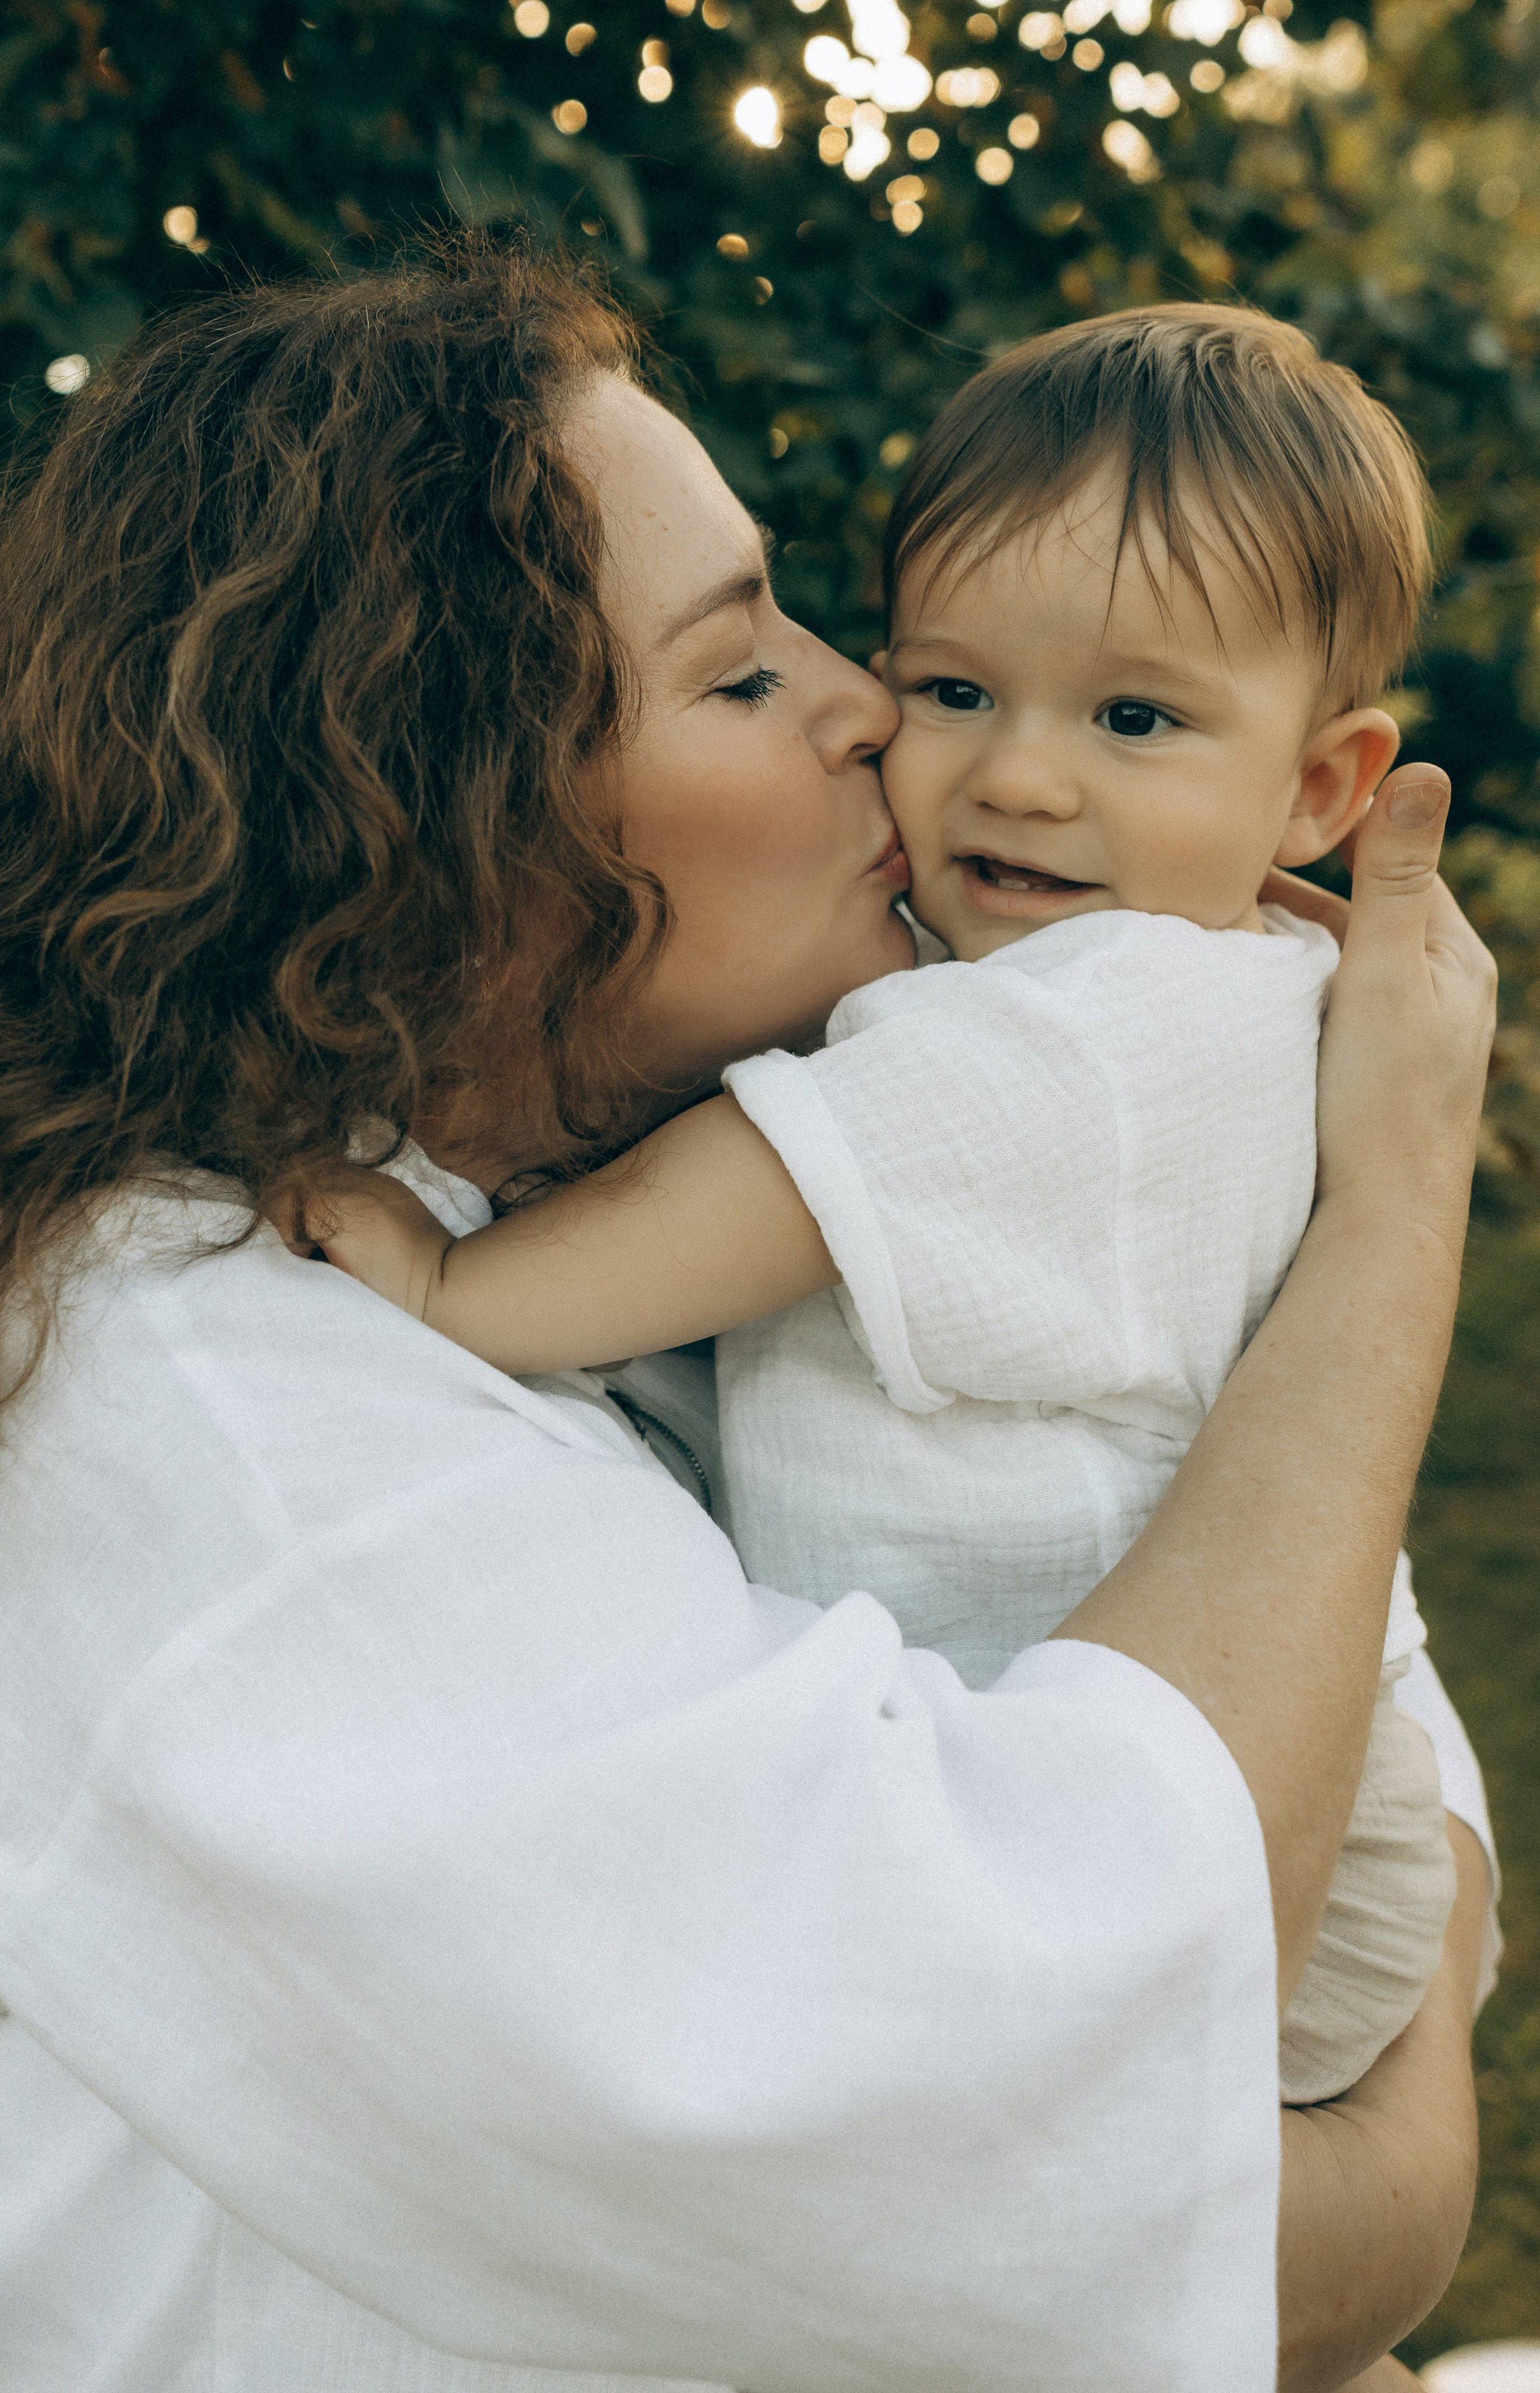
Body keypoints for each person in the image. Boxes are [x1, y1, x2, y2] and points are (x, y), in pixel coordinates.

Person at [0, 244, 1498, 2393]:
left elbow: (1306, 1652)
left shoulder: (510, 1224)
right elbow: (1045, 2181)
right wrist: (1396, 1212)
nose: (877, 700)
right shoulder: (203, 1410)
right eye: (742, 670)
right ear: (445, 825)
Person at [312, 306, 1458, 2111]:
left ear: (1321, 790)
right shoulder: (1214, 981)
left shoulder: (1104, 1020)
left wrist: (457, 1290)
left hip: (1236, 1823)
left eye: (1135, 717)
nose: (1019, 773)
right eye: (956, 690)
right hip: (1265, 1759)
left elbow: (764, 1187)